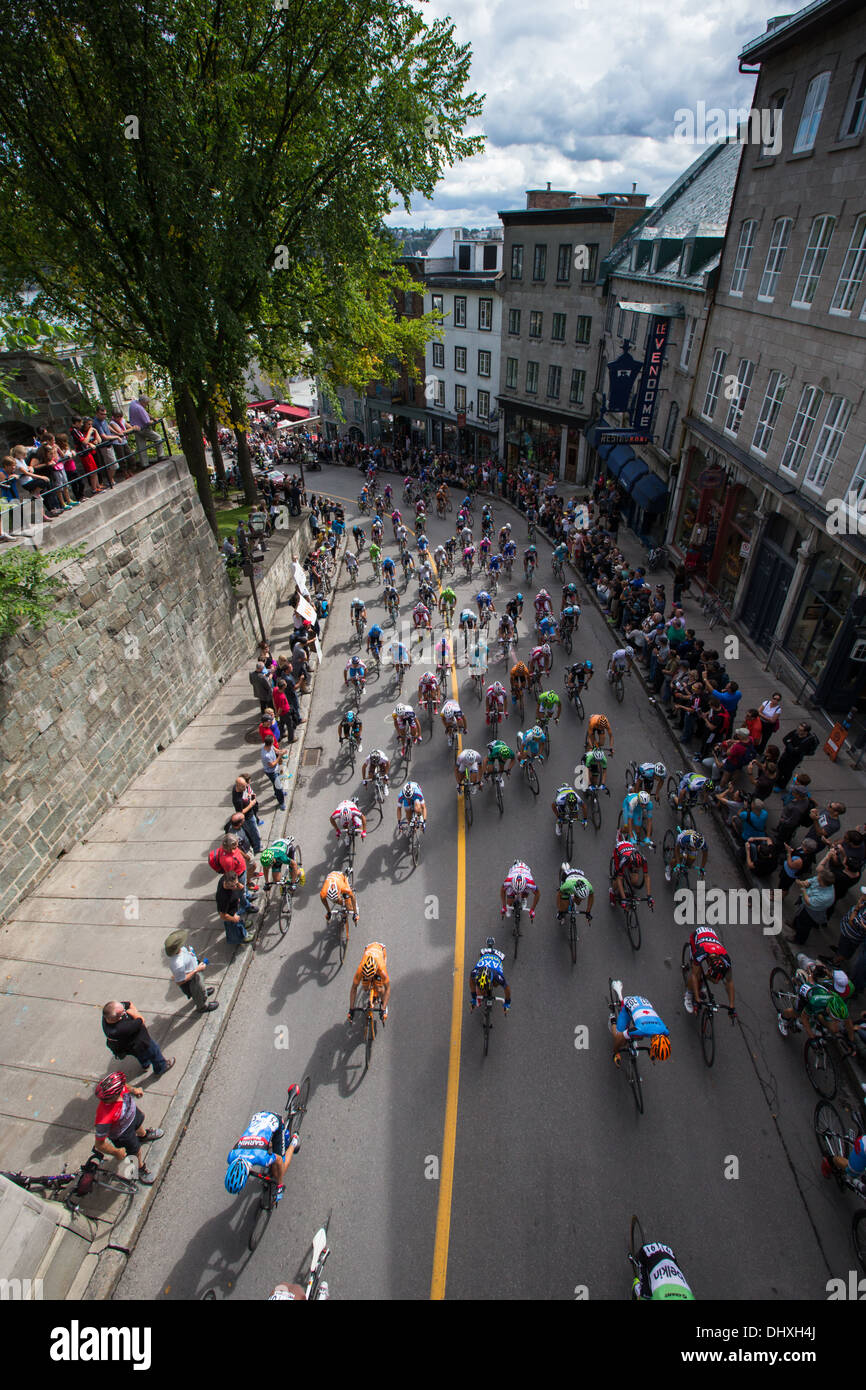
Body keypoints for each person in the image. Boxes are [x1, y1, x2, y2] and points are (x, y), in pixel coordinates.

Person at [224, 1091, 302, 1206]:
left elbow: (279, 1160)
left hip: (274, 1121)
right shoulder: (231, 1156)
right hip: (258, 1118)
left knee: (280, 1169)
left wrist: (279, 1185)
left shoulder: (261, 1157)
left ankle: (294, 1141)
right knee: (267, 1151)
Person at [92, 1071, 164, 1185]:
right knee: (135, 1152)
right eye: (119, 1091)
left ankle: (144, 1136)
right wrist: (116, 1152)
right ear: (112, 1096)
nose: (122, 1091)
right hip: (123, 1134)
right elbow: (99, 1144)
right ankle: (140, 1169)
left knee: (139, 1125)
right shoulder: (104, 1117)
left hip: (133, 1115)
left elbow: (125, 1086)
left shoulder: (119, 1089)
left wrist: (134, 1090)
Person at [101, 1000, 175, 1077]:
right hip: (141, 1043)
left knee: (140, 1055)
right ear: (118, 1018)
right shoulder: (122, 1028)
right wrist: (134, 1012)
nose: (125, 1009)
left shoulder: (107, 1016)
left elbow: (129, 1003)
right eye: (123, 1012)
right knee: (154, 1052)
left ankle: (145, 1064)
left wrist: (130, 1008)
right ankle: (161, 1067)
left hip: (128, 1046)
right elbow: (141, 1020)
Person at [609, 984, 670, 1065]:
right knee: (621, 1039)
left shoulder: (664, 1030)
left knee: (639, 1035)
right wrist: (616, 1052)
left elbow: (660, 1040)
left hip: (644, 1003)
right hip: (629, 1005)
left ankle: (632, 1036)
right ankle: (612, 1019)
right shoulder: (641, 1030)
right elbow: (620, 1037)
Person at [683, 926, 735, 1015]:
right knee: (697, 973)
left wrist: (731, 1006)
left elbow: (729, 982)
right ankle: (688, 994)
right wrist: (697, 999)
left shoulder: (726, 960)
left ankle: (703, 980)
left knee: (715, 978)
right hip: (697, 938)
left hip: (711, 940)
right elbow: (694, 976)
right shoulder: (700, 953)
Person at [164, 928, 218, 1013]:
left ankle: (203, 993)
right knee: (197, 990)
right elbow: (181, 981)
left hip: (195, 971)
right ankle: (202, 1006)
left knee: (200, 986)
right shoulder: (177, 964)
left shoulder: (180, 950)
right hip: (192, 978)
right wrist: (196, 970)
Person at [348, 942, 390, 1020]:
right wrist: (351, 1009)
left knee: (379, 988)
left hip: (381, 950)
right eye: (367, 977)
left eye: (370, 977)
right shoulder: (360, 969)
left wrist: (383, 1008)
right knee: (365, 986)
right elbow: (353, 988)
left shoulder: (381, 968)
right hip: (368, 948)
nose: (369, 978)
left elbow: (388, 988)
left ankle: (381, 1000)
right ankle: (369, 989)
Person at [610, 835, 653, 909]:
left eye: (638, 867)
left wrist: (649, 896)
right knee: (617, 878)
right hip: (619, 850)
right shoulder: (624, 860)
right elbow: (619, 880)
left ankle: (630, 876)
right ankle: (612, 892)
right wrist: (623, 899)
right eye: (635, 866)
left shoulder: (643, 860)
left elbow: (646, 877)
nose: (637, 868)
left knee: (635, 880)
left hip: (630, 851)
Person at [469, 938, 511, 1011]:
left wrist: (507, 1002)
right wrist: (473, 996)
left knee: (496, 984)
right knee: (479, 991)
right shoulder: (474, 972)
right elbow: (471, 981)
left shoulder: (498, 977)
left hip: (496, 962)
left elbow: (506, 988)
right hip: (485, 959)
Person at [128, 394, 167, 468]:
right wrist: (155, 420)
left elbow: (145, 413)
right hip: (143, 429)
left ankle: (144, 464)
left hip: (135, 428)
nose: (146, 405)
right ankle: (160, 456)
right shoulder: (140, 408)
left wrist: (152, 417)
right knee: (158, 438)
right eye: (146, 403)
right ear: (143, 402)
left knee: (141, 446)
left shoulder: (133, 404)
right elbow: (147, 422)